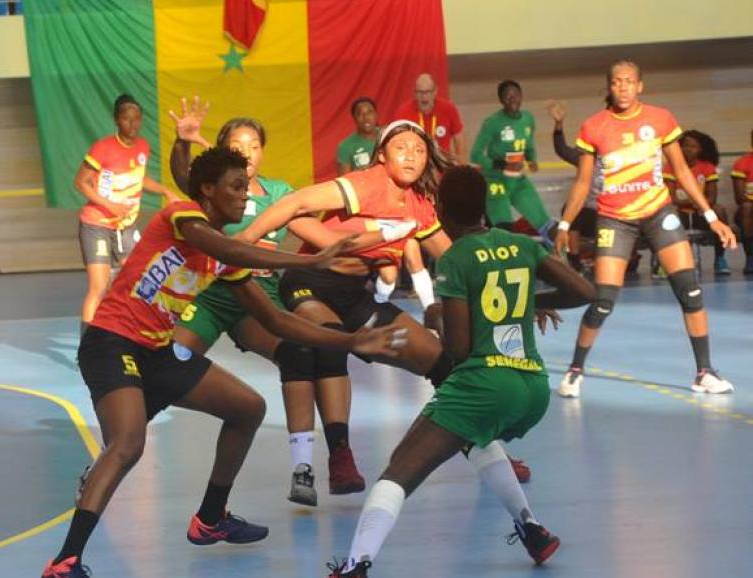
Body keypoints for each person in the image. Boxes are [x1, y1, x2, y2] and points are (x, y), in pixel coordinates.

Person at [41, 147, 407, 578]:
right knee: (128, 444)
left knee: (248, 408)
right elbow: (231, 249)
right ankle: (65, 562)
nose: (244, 198)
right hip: (112, 342)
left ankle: (210, 518)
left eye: (246, 188)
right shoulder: (182, 216)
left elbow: (275, 320)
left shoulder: (222, 258)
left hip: (157, 351)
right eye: (236, 188)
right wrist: (310, 258)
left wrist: (351, 339)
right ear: (208, 191)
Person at [324, 166, 595, 577]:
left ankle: (356, 565)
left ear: (441, 209)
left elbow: (459, 348)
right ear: (485, 205)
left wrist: (435, 314)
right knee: (474, 438)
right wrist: (531, 305)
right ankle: (533, 530)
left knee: (400, 469)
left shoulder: (455, 259)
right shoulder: (521, 244)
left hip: (485, 383)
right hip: (532, 388)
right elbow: (584, 291)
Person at [241, 120, 535, 486]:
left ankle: (492, 454)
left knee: (445, 363)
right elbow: (296, 202)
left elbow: (459, 256)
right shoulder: (366, 183)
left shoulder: (420, 206)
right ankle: (340, 459)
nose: (411, 155)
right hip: (311, 285)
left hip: (356, 296)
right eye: (402, 147)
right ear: (381, 154)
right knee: (330, 340)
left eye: (419, 149)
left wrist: (515, 296)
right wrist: (242, 241)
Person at [167, 98, 406, 505]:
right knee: (165, 367)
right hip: (211, 297)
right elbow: (183, 175)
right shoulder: (216, 190)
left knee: (299, 353)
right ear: (225, 150)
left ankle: (303, 469)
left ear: (263, 150)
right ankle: (117, 446)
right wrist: (183, 143)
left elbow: (319, 234)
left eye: (254, 144)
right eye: (238, 144)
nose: (247, 151)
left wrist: (382, 237)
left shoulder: (278, 193)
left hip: (259, 297)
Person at [556, 60, 737, 398]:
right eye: (616, 82)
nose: (623, 87)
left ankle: (704, 371)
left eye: (629, 81)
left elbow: (682, 172)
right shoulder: (593, 127)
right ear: (609, 87)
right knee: (604, 299)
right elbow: (583, 182)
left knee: (691, 291)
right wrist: (565, 223)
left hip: (658, 214)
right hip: (614, 219)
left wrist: (712, 217)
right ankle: (575, 369)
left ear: (640, 86)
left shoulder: (661, 118)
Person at [75, 94, 178, 329]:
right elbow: (80, 182)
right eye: (126, 119)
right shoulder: (103, 148)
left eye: (137, 119)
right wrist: (110, 206)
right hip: (97, 226)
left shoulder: (143, 147)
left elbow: (140, 179)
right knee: (99, 288)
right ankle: (87, 347)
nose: (132, 124)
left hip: (126, 227)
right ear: (116, 120)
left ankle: (131, 331)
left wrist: (164, 190)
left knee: (140, 279)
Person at [471, 80, 556, 244]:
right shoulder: (493, 123)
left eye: (515, 95)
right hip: (496, 182)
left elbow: (529, 143)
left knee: (547, 226)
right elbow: (475, 155)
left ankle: (562, 263)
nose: (512, 99)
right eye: (507, 97)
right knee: (505, 232)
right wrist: (502, 165)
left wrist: (532, 160)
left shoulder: (528, 119)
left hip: (517, 181)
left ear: (521, 96)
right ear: (501, 100)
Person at [664, 129, 729, 275]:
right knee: (668, 215)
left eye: (693, 146)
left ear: (701, 149)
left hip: (701, 213)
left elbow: (712, 197)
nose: (688, 150)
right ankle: (667, 263)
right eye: (686, 145)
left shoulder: (707, 167)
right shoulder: (670, 167)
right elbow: (671, 198)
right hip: (681, 212)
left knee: (720, 211)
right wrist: (688, 202)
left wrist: (700, 204)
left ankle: (720, 258)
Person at [546, 99, 600, 273]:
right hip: (588, 210)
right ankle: (575, 261)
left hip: (609, 209)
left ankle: (603, 259)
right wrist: (558, 124)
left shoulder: (618, 158)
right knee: (571, 212)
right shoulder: (584, 158)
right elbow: (561, 149)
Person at [393, 73, 465, 163]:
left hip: (442, 165)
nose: (424, 97)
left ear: (435, 91)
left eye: (428, 92)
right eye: (420, 92)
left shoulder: (448, 109)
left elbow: (459, 141)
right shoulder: (403, 113)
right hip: (415, 166)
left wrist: (462, 167)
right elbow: (396, 143)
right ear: (414, 93)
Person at [337, 97, 380, 175]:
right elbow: (344, 180)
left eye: (369, 112)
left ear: (376, 115)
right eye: (360, 114)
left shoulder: (389, 135)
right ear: (354, 118)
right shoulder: (345, 146)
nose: (366, 117)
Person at [730, 129, 753, 274]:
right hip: (749, 208)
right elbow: (739, 197)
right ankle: (751, 257)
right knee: (746, 207)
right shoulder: (742, 163)